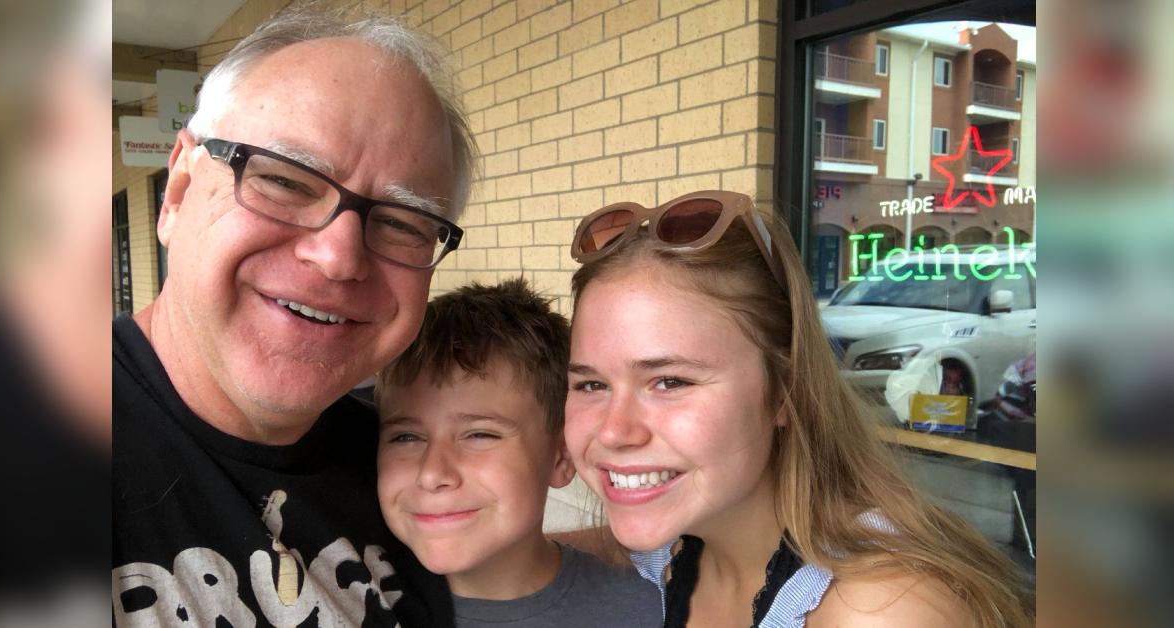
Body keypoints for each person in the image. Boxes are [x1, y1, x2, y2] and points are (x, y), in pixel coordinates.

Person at [112, 7, 476, 627]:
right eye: (283, 181)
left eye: (400, 222)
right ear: (177, 190)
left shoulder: (411, 476)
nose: (338, 257)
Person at [563, 191, 1034, 627]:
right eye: (590, 383)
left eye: (670, 381)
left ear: (784, 393)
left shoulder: (879, 611)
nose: (613, 432)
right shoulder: (686, 544)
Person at [375, 278, 662, 628]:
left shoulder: (652, 612)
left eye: (479, 434)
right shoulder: (347, 602)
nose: (432, 473)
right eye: (406, 437)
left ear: (561, 457)